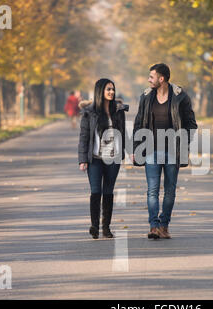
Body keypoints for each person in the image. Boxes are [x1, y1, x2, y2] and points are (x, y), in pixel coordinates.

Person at [131, 63, 197, 240]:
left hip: (173, 151)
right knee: (152, 190)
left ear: (162, 79)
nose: (148, 79)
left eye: (151, 76)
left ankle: (164, 225)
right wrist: (136, 147)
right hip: (151, 149)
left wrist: (184, 144)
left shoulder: (180, 97)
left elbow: (191, 123)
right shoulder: (146, 97)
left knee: (170, 191)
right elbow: (139, 124)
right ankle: (153, 226)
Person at [78, 79, 129, 239]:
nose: (111, 92)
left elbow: (123, 134)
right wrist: (82, 159)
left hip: (113, 159)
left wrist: (131, 152)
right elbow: (84, 136)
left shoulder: (118, 110)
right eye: (108, 89)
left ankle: (106, 227)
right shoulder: (90, 112)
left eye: (113, 89)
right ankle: (94, 226)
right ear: (100, 91)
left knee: (108, 191)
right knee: (95, 191)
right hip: (95, 158)